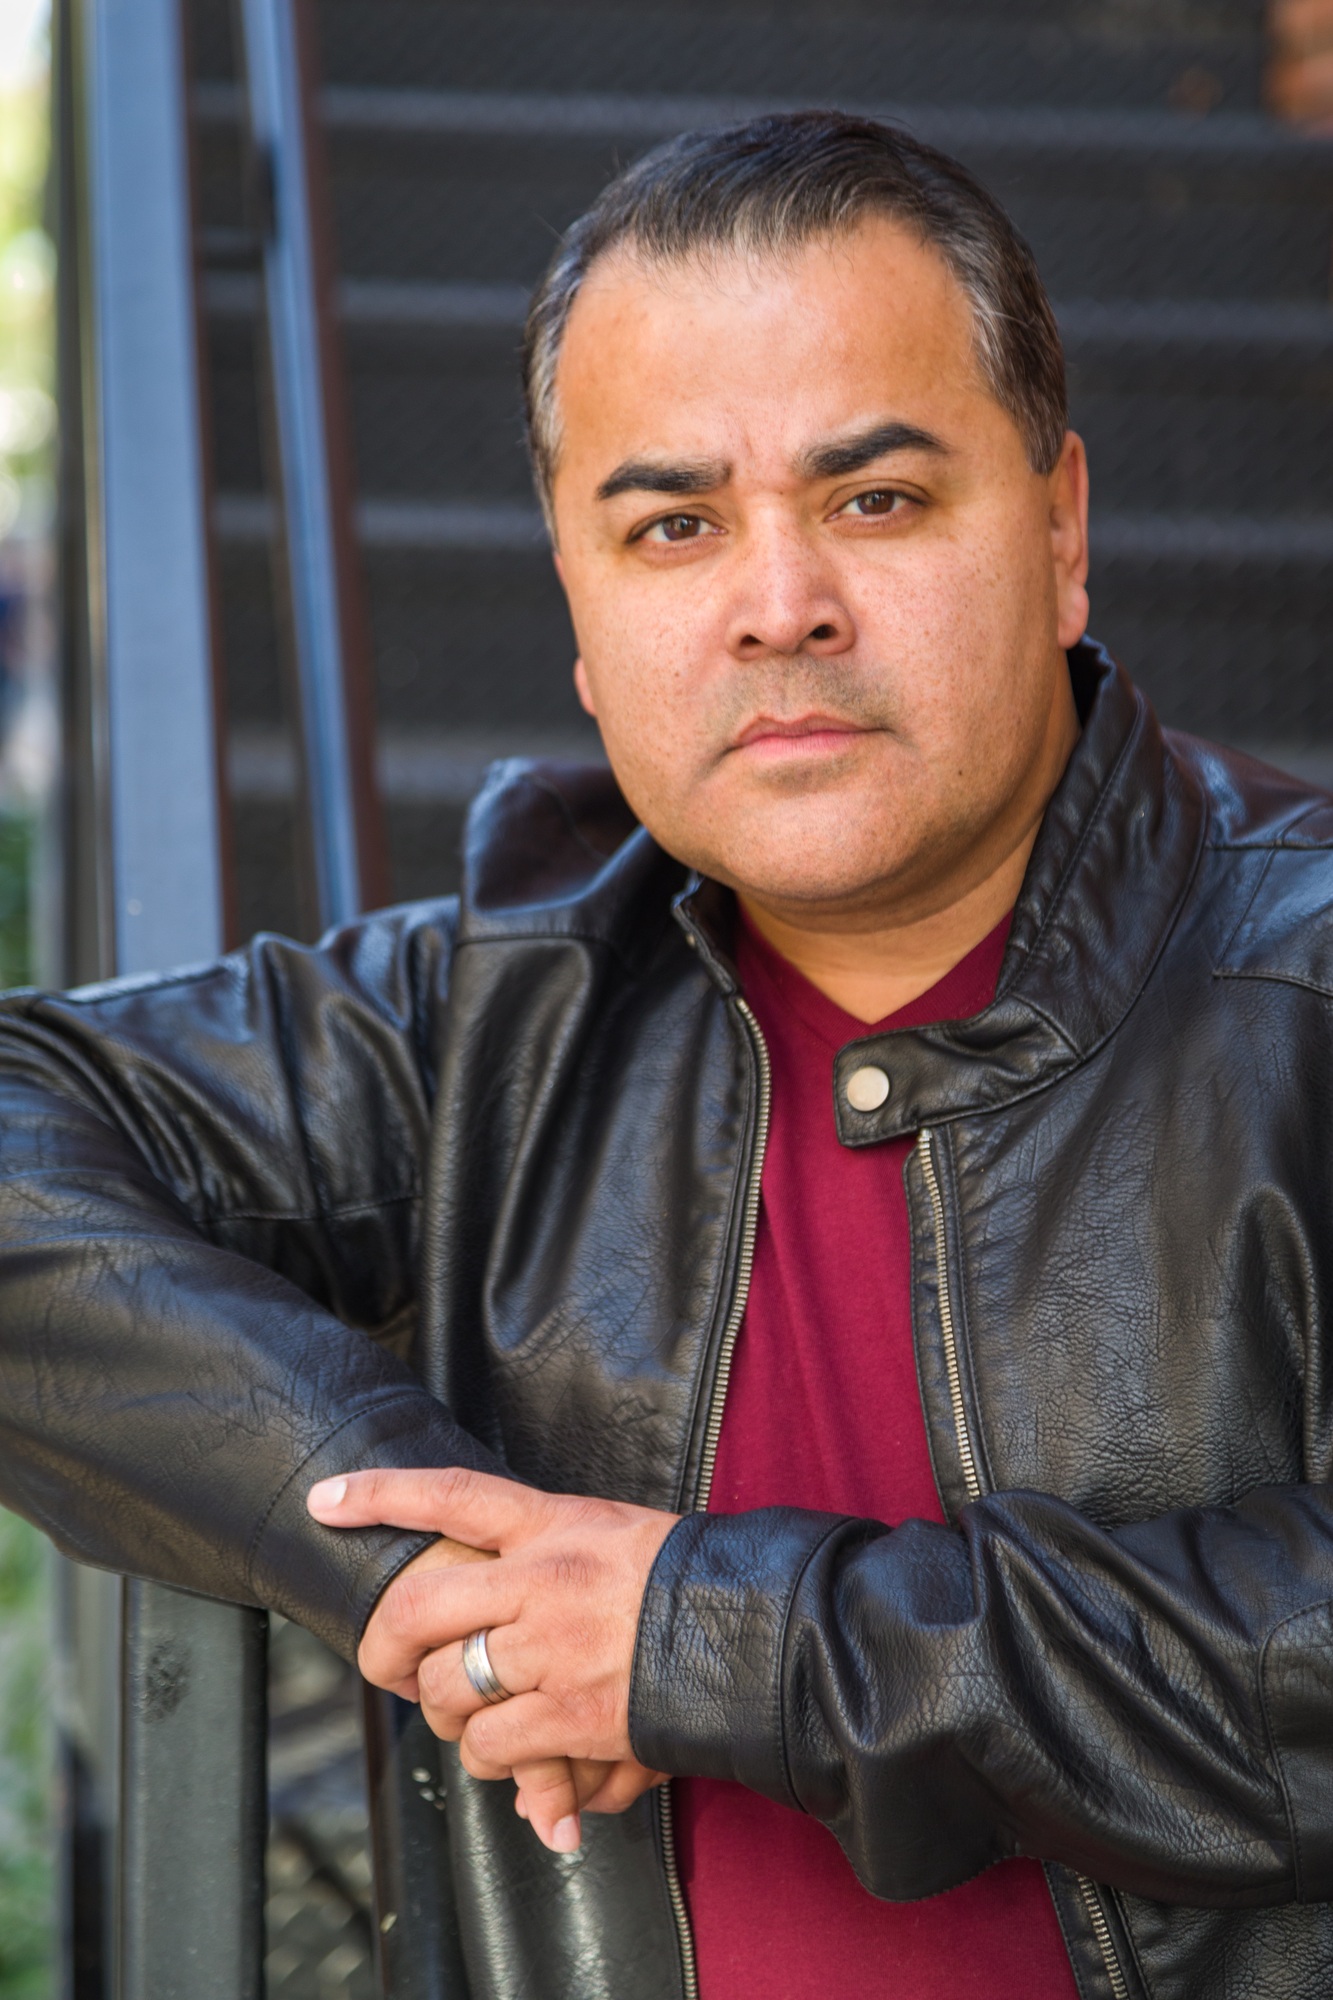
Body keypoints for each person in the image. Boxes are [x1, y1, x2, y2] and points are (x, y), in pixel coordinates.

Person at [3, 110, 1333, 2000]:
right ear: (579, 614)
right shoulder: (495, 1021)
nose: (775, 602)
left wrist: (715, 1643)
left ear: (1057, 534)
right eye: (672, 525)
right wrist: (448, 1581)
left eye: (875, 499)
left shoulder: (1304, 993)